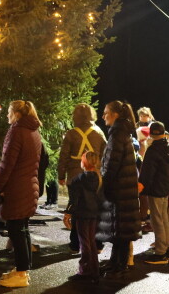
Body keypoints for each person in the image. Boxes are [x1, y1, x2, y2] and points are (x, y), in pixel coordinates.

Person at [0, 100, 43, 289]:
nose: (7, 115)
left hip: (17, 188)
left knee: (16, 231)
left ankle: (22, 273)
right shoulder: (33, 131)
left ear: (16, 113)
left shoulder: (16, 131)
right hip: (28, 186)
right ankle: (22, 269)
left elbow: (7, 164)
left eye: (8, 112)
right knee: (22, 229)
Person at [97, 100, 141, 280]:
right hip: (124, 188)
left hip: (119, 189)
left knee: (120, 229)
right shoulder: (122, 132)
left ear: (115, 114)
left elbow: (111, 165)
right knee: (119, 229)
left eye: (106, 112)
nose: (103, 116)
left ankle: (120, 265)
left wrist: (103, 185)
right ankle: (115, 261)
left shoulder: (117, 134)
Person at [57, 104, 107, 253]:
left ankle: (75, 244)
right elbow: (105, 155)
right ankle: (97, 244)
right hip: (95, 176)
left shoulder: (71, 133)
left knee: (76, 208)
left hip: (75, 176)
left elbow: (63, 156)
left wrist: (61, 175)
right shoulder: (99, 132)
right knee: (96, 209)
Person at [139, 121, 169, 264]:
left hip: (155, 188)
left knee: (157, 220)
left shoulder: (154, 149)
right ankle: (167, 245)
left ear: (151, 133)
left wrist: (141, 185)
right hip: (166, 187)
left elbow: (147, 171)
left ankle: (161, 252)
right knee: (164, 218)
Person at [64, 151, 104, 285]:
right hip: (95, 214)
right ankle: (94, 270)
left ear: (84, 163)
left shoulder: (78, 179)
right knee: (91, 242)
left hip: (82, 214)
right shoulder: (99, 178)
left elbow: (74, 199)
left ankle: (85, 270)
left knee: (84, 242)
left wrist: (68, 214)